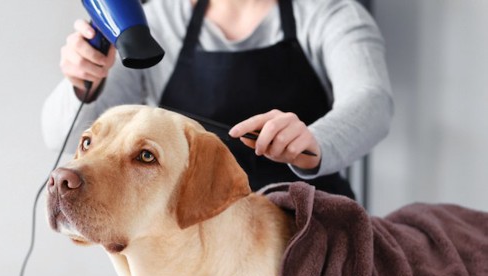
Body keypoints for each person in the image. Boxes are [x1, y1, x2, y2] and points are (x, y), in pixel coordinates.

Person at [41, 0, 393, 198]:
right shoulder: (153, 23)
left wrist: (316, 141)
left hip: (309, 231)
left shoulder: (328, 12)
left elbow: (371, 99)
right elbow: (67, 139)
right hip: (197, 243)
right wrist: (83, 83)